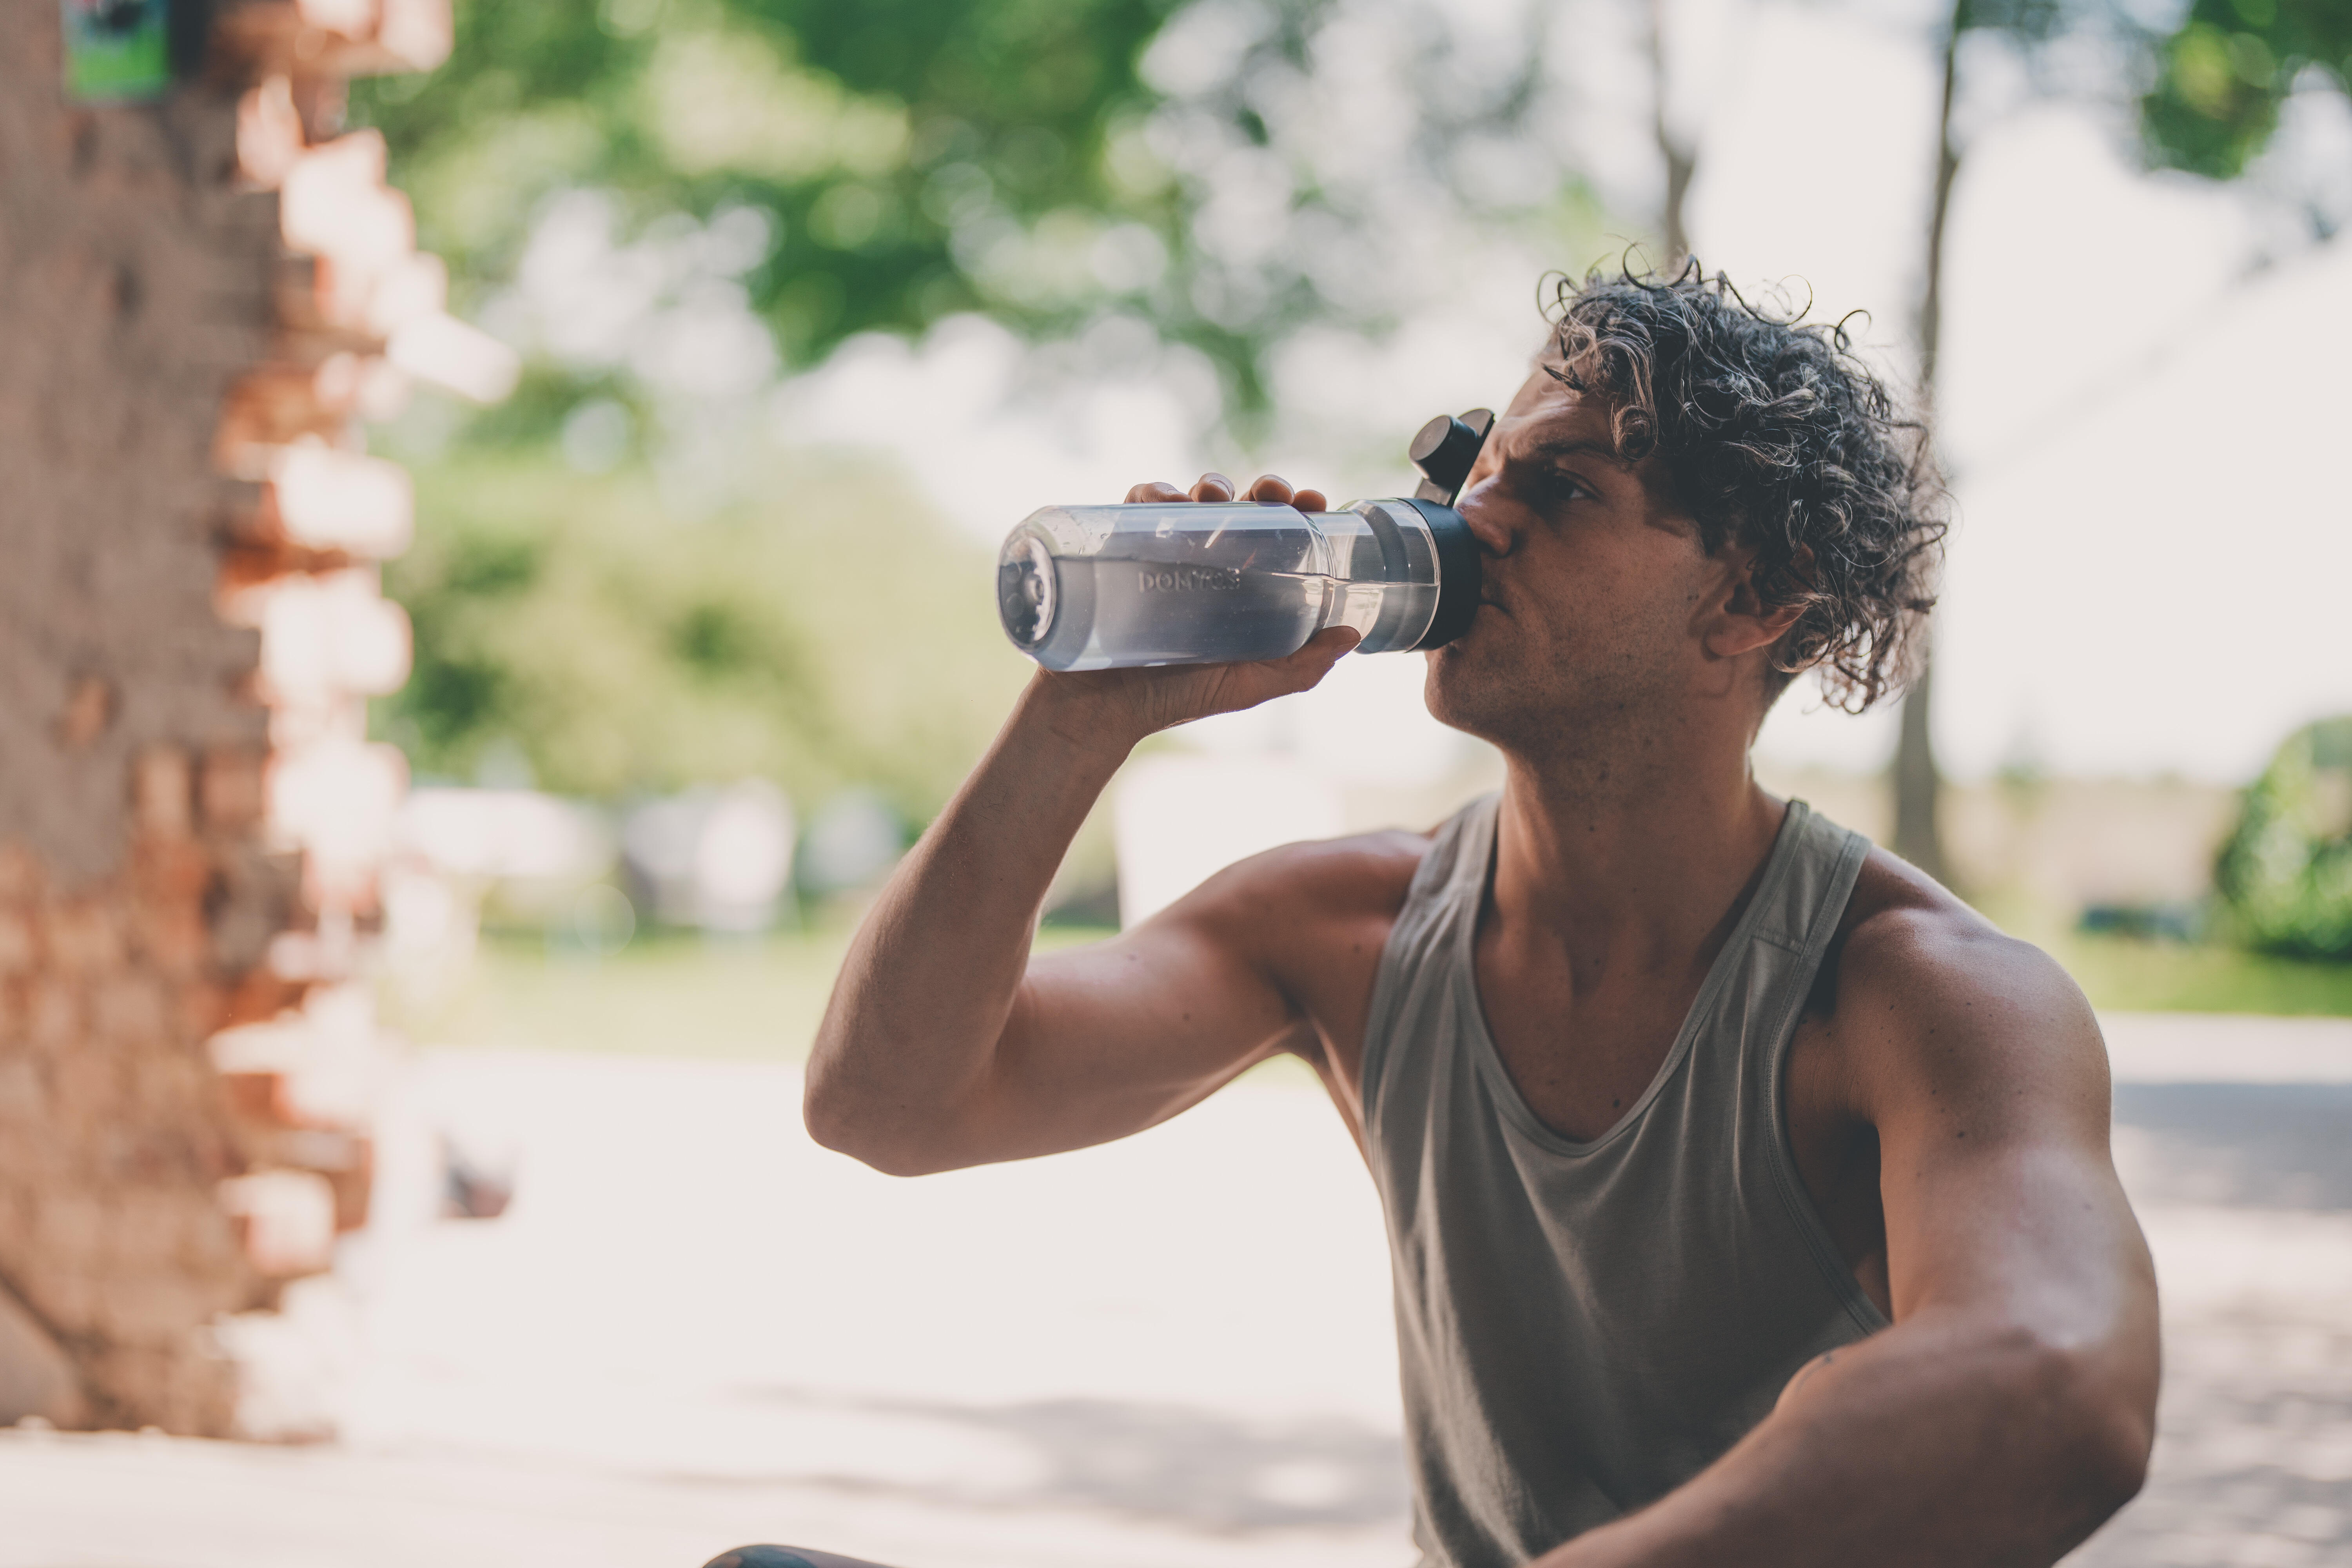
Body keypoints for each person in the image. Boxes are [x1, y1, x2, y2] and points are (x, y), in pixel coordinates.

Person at [710, 265, 2160, 1568]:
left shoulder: (1921, 997)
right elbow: (887, 1103)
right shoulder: (1340, 929)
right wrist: (1080, 719)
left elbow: (2059, 1386)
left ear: (1753, 605)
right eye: (1481, 467)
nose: (1475, 521)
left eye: (1568, 489)